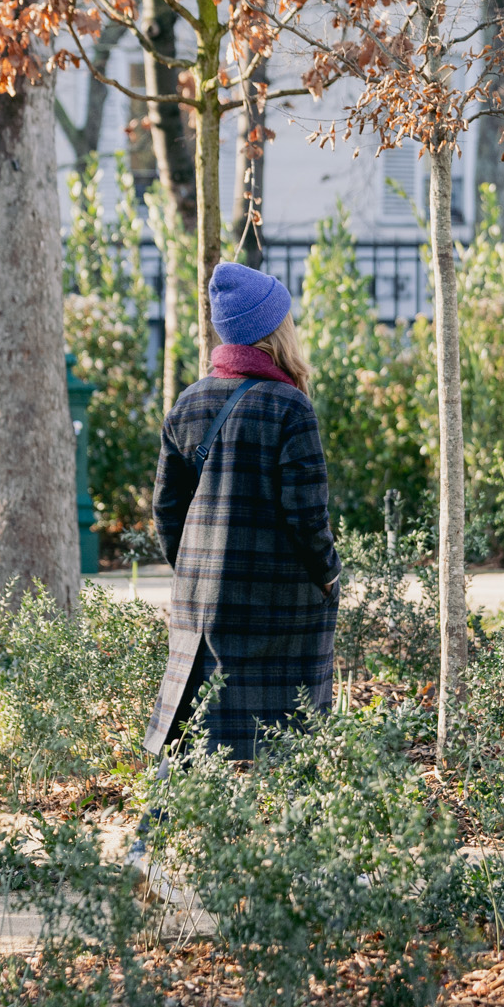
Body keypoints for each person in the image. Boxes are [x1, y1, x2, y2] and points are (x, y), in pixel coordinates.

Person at [144, 261, 342, 765]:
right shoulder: (290, 408)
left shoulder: (186, 405)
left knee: (203, 740)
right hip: (280, 610)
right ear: (277, 331)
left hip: (203, 607)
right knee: (284, 745)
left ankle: (185, 832)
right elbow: (307, 519)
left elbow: (167, 511)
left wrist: (196, 572)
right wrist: (328, 576)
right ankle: (280, 834)